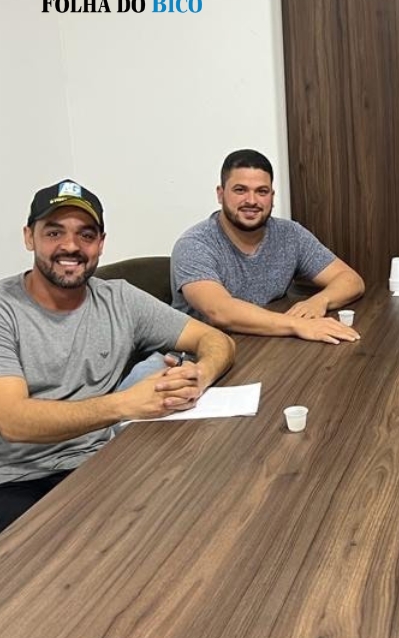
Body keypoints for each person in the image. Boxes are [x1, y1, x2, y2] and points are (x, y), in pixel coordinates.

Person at [0, 180, 235, 533]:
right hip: (21, 480)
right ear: (29, 237)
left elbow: (215, 339)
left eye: (86, 235)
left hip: (103, 463)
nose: (70, 246)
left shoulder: (119, 299)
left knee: (206, 507)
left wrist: (199, 375)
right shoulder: (6, 309)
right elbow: (12, 420)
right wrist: (126, 404)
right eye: (54, 232)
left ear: (101, 243)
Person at [171, 149, 366, 344]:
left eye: (262, 192)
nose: (251, 201)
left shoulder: (290, 234)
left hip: (265, 346)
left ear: (272, 196)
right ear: (220, 194)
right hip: (199, 353)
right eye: (240, 190)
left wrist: (319, 301)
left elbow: (351, 280)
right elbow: (219, 311)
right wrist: (298, 325)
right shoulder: (194, 244)